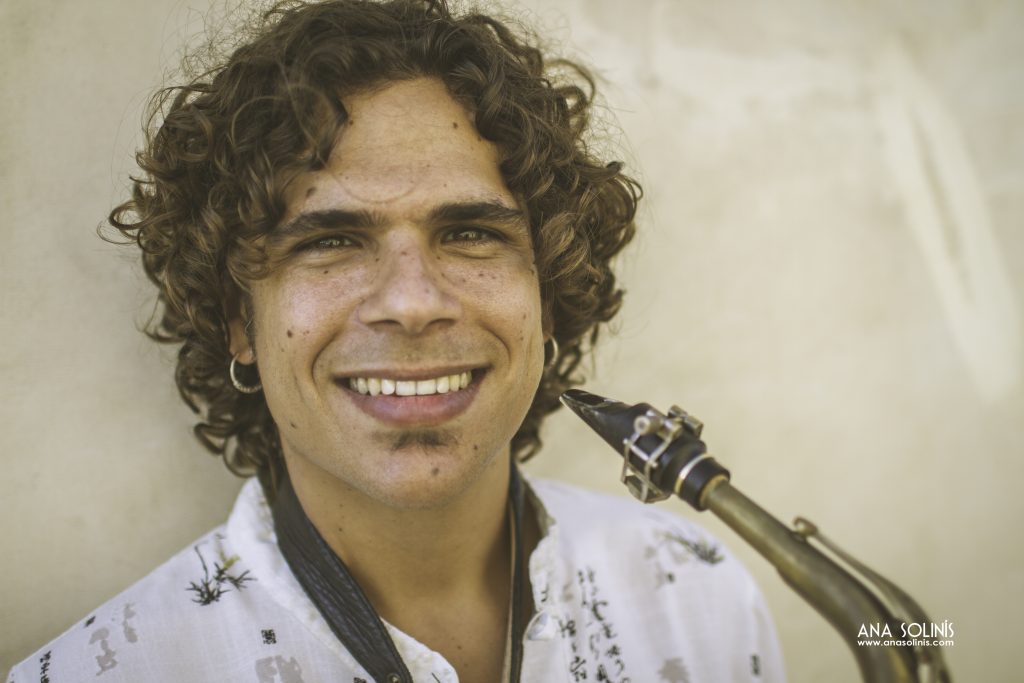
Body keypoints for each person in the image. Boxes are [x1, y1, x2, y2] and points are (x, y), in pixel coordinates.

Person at [7, 1, 784, 681]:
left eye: (471, 232)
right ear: (238, 320)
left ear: (547, 300)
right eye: (332, 241)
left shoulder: (701, 595)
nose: (413, 303)